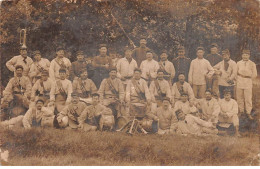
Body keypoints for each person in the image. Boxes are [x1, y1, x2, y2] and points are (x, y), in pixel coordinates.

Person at [236, 49, 257, 120]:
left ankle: (248, 112)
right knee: (239, 97)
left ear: (249, 56)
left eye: (246, 55)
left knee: (248, 98)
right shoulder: (238, 63)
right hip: (239, 81)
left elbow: (254, 74)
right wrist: (238, 79)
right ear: (242, 55)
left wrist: (248, 77)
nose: (245, 56)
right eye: (244, 55)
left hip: (248, 81)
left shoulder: (252, 64)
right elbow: (236, 72)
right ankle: (241, 111)